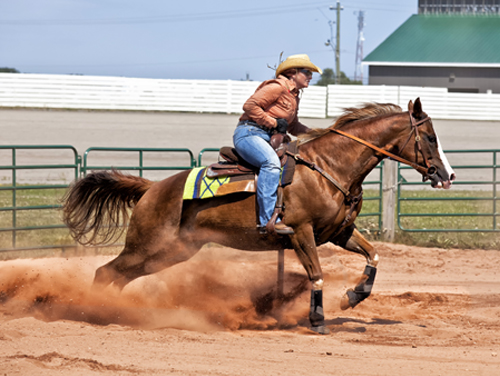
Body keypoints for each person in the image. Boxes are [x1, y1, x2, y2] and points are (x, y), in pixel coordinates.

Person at [233, 54, 322, 235]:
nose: (310, 76)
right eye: (306, 72)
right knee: (271, 163)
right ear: (292, 73)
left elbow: (293, 126)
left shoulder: (294, 95)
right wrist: (273, 123)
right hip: (249, 133)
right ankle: (267, 221)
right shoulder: (277, 87)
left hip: (268, 137)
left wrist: (317, 134)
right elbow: (250, 106)